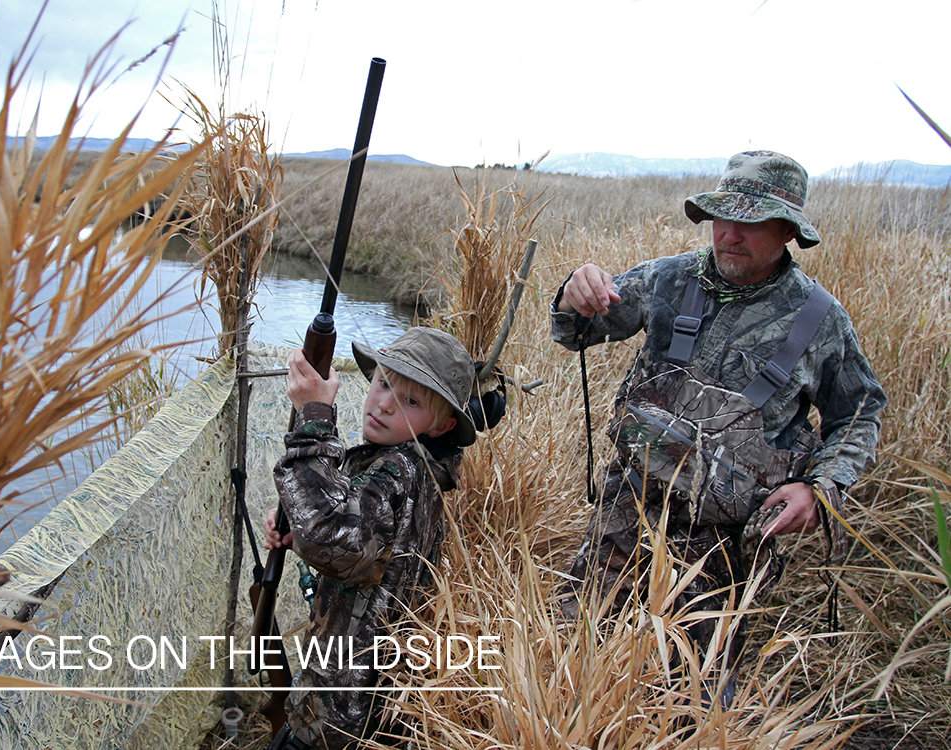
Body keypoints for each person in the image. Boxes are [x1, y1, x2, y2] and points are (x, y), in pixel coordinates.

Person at [551, 150, 886, 703]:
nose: (730, 233)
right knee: (579, 650)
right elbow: (576, 331)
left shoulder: (820, 319)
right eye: (723, 216)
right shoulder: (669, 277)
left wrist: (820, 487)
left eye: (751, 222)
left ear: (787, 230)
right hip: (626, 507)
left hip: (723, 543)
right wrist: (574, 294)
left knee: (693, 693)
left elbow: (861, 410)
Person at [262, 326, 477, 749]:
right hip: (373, 707)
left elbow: (333, 537)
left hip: (340, 713)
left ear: (442, 424)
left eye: (411, 401)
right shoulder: (420, 470)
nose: (383, 404)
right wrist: (298, 523)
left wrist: (313, 417)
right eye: (383, 383)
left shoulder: (398, 471)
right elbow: (355, 542)